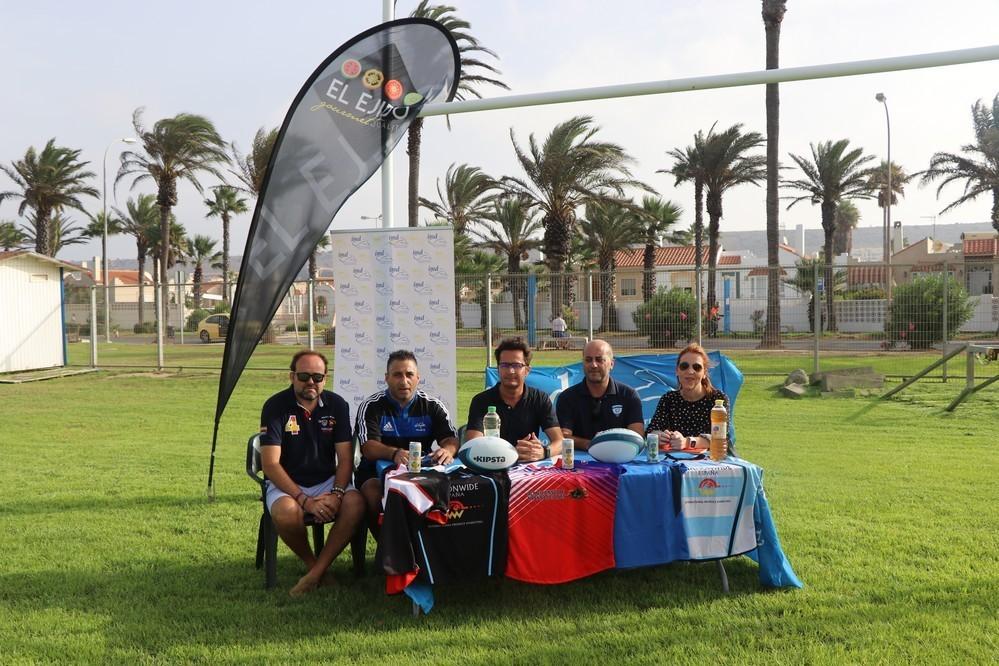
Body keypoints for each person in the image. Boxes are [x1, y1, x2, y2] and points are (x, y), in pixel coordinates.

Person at [259, 350, 364, 597]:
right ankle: (315, 567)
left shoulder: (337, 405)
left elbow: (346, 458)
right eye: (304, 376)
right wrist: (303, 499)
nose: (311, 383)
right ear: (292, 376)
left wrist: (337, 494)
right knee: (286, 512)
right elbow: (270, 464)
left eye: (317, 377)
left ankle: (315, 574)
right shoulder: (275, 406)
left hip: (326, 481)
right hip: (287, 483)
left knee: (356, 503)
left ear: (325, 379)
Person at [356, 350, 459, 540]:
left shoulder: (433, 405)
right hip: (374, 472)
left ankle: (427, 549)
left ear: (418, 378)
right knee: (372, 492)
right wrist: (394, 453)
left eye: (409, 374)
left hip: (419, 472)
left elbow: (450, 439)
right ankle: (389, 550)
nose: (404, 381)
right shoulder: (371, 406)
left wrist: (448, 449)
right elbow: (368, 448)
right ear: (386, 378)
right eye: (397, 375)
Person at [466, 337, 563, 462]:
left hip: (528, 469)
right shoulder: (481, 401)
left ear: (527, 370)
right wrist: (509, 453)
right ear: (498, 369)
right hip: (493, 465)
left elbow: (560, 441)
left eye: (517, 365)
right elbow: (472, 445)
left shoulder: (540, 398)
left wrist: (543, 452)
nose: (510, 371)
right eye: (505, 365)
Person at [556, 339, 644, 450]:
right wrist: (593, 445)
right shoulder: (567, 398)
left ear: (611, 364)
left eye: (599, 360)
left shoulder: (629, 395)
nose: (593, 365)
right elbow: (563, 437)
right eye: (588, 360)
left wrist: (608, 447)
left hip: (618, 458)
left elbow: (637, 436)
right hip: (579, 461)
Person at [647, 343, 731, 452]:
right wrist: (660, 436)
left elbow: (721, 438)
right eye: (684, 366)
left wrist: (687, 442)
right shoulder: (668, 399)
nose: (690, 371)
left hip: (712, 462)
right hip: (676, 462)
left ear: (704, 373)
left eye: (697, 367)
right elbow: (652, 431)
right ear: (677, 370)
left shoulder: (718, 400)